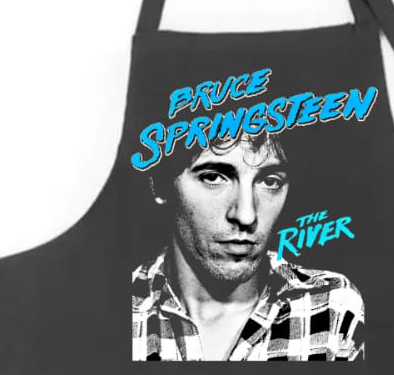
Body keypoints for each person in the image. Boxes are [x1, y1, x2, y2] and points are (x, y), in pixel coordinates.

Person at [131, 130, 365, 361]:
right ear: (160, 185)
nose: (246, 215)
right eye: (213, 177)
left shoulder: (333, 307)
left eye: (270, 181)